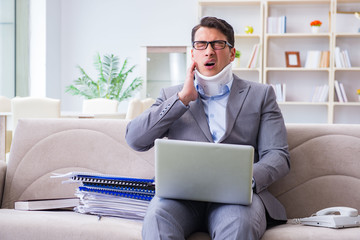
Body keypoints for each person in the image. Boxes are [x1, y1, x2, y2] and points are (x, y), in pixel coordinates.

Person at [126, 16, 290, 240]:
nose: (209, 51)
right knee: (157, 218)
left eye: (218, 44)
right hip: (180, 199)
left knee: (239, 225)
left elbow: (278, 156)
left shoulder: (261, 95)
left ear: (232, 53)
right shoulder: (171, 96)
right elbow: (135, 139)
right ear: (192, 53)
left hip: (235, 199)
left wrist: (243, 180)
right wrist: (182, 99)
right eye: (201, 45)